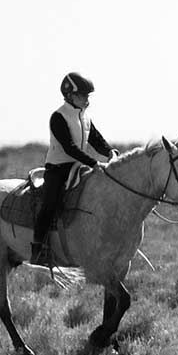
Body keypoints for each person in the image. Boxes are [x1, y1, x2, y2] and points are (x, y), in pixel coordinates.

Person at [31, 72, 116, 266]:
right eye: (83, 95)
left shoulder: (85, 117)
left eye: (88, 95)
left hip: (78, 167)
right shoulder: (58, 116)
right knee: (50, 202)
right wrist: (94, 163)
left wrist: (110, 152)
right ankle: (38, 247)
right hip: (58, 169)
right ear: (70, 95)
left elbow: (96, 139)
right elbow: (69, 147)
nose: (87, 99)